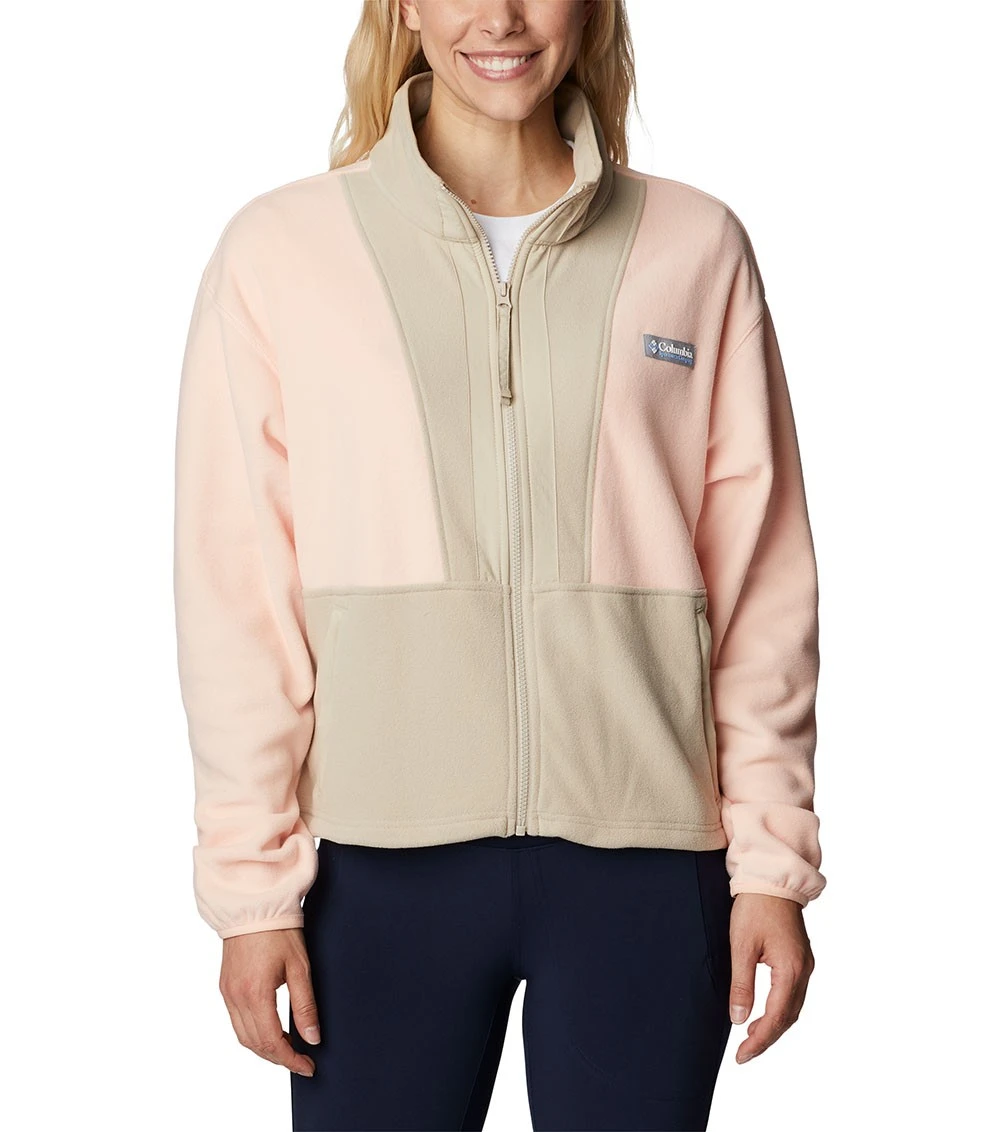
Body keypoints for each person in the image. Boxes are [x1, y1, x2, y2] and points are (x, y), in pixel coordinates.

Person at [172, 2, 825, 1129]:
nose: (503, 17)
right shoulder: (282, 253)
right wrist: (249, 891)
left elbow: (762, 584)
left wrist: (771, 864)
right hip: (375, 871)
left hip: (646, 860)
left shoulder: (694, 247)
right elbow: (237, 593)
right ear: (406, 9)